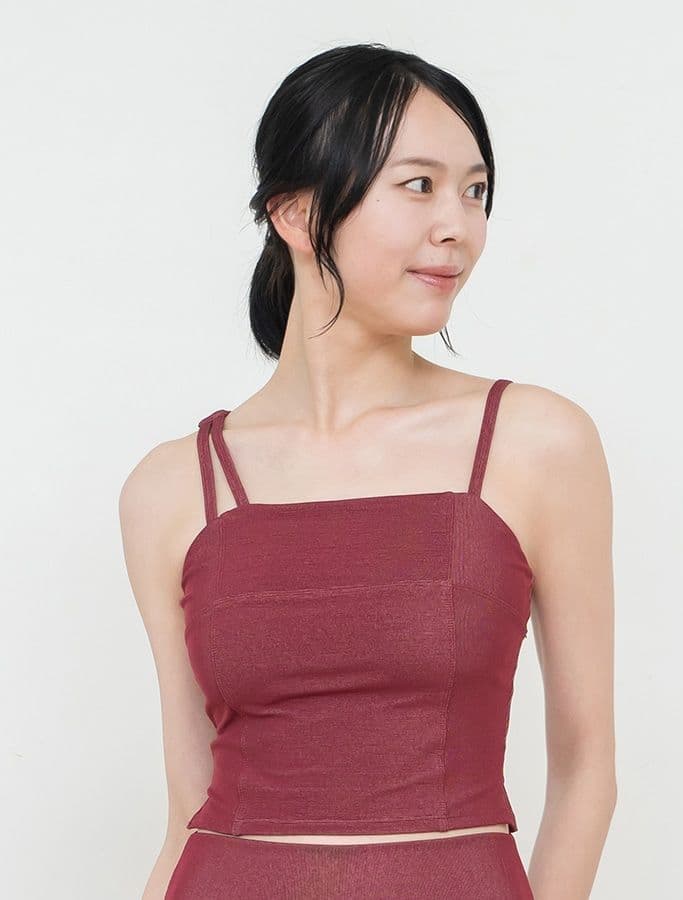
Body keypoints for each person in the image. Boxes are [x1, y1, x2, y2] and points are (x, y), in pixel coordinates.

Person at [120, 43, 616, 900]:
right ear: (295, 212)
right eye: (419, 185)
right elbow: (187, 811)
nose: (458, 226)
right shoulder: (170, 488)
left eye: (476, 191)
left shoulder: (535, 443)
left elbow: (588, 772)